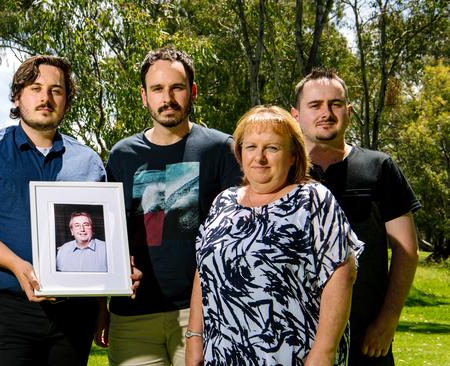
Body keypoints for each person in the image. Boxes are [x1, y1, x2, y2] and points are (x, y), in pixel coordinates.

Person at [0, 55, 139, 365]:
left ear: (66, 100)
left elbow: (103, 234)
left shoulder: (89, 162)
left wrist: (103, 304)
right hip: (2, 312)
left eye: (56, 90)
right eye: (35, 88)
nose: (45, 98)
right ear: (18, 95)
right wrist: (16, 265)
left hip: (73, 318)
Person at [186, 105, 364, 365]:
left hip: (293, 354)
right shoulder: (223, 202)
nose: (260, 157)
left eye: (272, 148)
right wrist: (194, 339)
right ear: (240, 153)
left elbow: (342, 272)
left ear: (292, 155)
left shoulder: (313, 200)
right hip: (223, 355)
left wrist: (324, 352)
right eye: (251, 147)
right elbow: (203, 272)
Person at [105, 47, 241, 365]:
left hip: (202, 314)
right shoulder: (122, 155)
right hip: (133, 314)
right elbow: (108, 233)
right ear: (144, 96)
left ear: (192, 91)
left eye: (176, 87)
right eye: (157, 89)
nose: (167, 98)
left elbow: (238, 232)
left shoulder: (220, 149)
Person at [291, 68, 421, 365]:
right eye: (315, 105)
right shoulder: (283, 173)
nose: (326, 112)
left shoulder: (379, 168)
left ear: (348, 112)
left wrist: (388, 321)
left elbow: (407, 251)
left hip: (366, 338)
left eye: (335, 104)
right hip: (295, 336)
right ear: (295, 114)